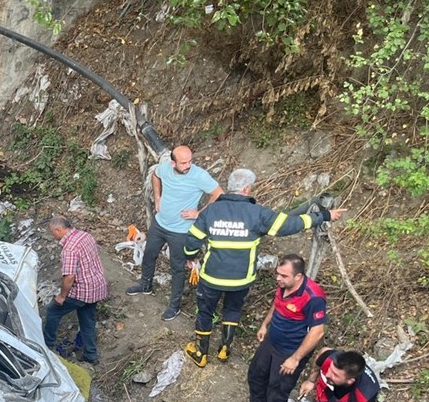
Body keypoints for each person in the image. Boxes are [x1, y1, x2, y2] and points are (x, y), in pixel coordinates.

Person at [181, 168, 344, 368]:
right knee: (232, 309)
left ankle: (201, 353)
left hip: (212, 277)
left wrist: (190, 257)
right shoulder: (258, 213)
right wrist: (324, 215)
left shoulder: (212, 211)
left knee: (205, 311)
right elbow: (291, 225)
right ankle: (224, 349)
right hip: (241, 278)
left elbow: (193, 239)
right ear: (247, 189)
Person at [235, 254, 327, 402]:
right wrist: (265, 324)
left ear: (299, 276)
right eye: (278, 274)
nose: (279, 279)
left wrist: (295, 358)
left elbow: (317, 332)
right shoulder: (283, 285)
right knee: (256, 374)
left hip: (290, 350)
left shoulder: (313, 297)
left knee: (277, 393)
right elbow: (277, 304)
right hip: (272, 341)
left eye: (284, 276)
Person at [125, 145, 222, 321]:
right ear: (173, 162)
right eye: (183, 163)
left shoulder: (199, 175)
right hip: (160, 223)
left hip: (181, 230)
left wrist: (199, 213)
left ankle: (174, 306)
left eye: (190, 161)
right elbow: (156, 175)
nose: (188, 165)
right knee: (149, 255)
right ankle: (146, 285)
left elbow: (218, 193)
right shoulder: (165, 169)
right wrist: (157, 198)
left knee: (178, 267)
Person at [42, 216, 109, 365]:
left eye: (52, 232)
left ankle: (46, 346)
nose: (53, 235)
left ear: (58, 230)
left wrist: (61, 296)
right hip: (97, 286)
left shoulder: (69, 249)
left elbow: (69, 277)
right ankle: (91, 355)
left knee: (53, 311)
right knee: (87, 320)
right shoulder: (85, 235)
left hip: (83, 290)